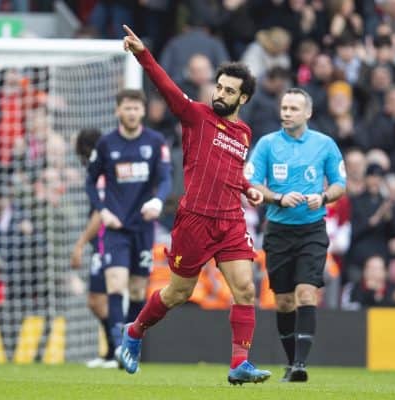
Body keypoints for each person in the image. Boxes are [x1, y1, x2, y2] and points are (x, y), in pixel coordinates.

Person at [120, 25, 270, 385]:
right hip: (195, 221)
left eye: (229, 91)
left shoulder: (244, 134)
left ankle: (238, 364)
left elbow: (230, 170)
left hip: (230, 221)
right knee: (177, 292)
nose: (220, 93)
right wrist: (143, 53)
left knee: (246, 289)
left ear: (243, 99)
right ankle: (135, 330)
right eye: (219, 86)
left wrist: (248, 188)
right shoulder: (197, 116)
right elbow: (167, 88)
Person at [247, 88, 346, 382]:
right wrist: (277, 197)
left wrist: (325, 197)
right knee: (284, 301)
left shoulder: (324, 144)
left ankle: (301, 365)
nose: (286, 113)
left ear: (308, 113)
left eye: (293, 108)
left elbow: (340, 182)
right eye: (284, 107)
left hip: (312, 229)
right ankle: (291, 363)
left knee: (306, 292)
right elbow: (252, 185)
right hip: (278, 231)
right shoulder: (266, 145)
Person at [84, 89, 173, 368]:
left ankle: (129, 346)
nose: (132, 112)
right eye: (127, 108)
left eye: (136, 108)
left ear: (143, 112)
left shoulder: (155, 142)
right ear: (118, 111)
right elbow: (90, 182)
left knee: (136, 291)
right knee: (115, 284)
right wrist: (104, 210)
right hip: (115, 227)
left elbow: (166, 178)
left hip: (143, 227)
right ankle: (117, 348)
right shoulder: (106, 144)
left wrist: (158, 201)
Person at [70, 127, 117, 368]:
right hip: (101, 242)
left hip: (107, 241)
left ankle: (117, 350)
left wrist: (79, 244)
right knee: (98, 300)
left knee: (99, 300)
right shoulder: (99, 171)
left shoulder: (100, 174)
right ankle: (111, 351)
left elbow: (101, 213)